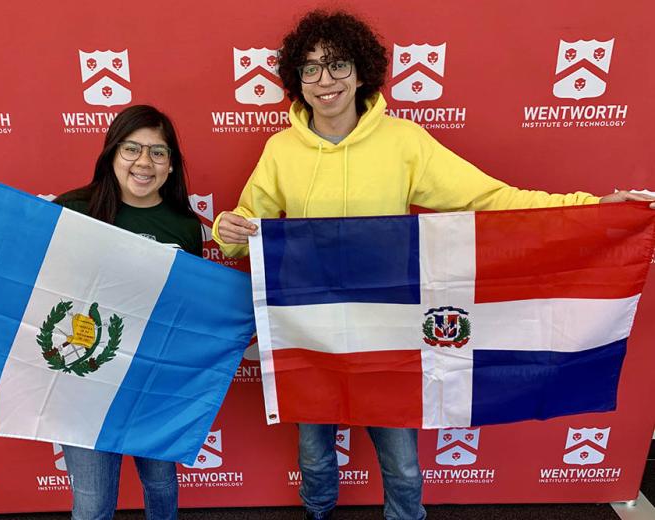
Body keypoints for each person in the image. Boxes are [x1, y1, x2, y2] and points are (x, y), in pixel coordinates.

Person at [212, 10, 653, 520]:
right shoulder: (280, 150)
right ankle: (318, 513)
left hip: (391, 325)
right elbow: (245, 230)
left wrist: (593, 208)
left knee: (400, 462)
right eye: (310, 69)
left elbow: (491, 198)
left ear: (361, 72)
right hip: (313, 330)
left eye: (337, 65)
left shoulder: (405, 142)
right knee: (314, 456)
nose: (325, 81)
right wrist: (230, 226)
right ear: (297, 81)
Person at [0, 105, 201, 520]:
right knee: (92, 502)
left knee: (161, 487)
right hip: (84, 384)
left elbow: (191, 308)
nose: (144, 162)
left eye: (158, 152)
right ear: (111, 155)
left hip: (154, 384)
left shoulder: (185, 225)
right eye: (132, 149)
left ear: (172, 164)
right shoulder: (73, 210)